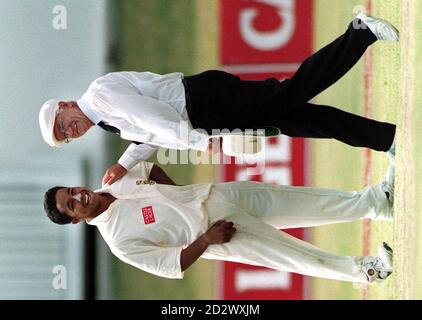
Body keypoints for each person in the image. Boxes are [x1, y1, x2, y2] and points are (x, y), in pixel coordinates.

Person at [39, 13, 398, 186]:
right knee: (296, 118)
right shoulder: (101, 117)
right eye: (66, 136)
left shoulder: (99, 97)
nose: (70, 130)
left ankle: (360, 33)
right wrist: (125, 163)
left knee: (292, 92)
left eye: (62, 123)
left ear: (66, 104)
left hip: (205, 102)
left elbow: (151, 118)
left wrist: (196, 141)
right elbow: (147, 134)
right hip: (203, 112)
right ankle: (385, 138)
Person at [43, 159, 395, 284]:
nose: (78, 197)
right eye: (71, 205)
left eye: (71, 191)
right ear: (75, 220)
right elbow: (172, 264)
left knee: (300, 201)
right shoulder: (119, 242)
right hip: (222, 234)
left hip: (217, 194)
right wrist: (207, 239)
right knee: (293, 254)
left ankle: (377, 202)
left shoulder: (113, 179)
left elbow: (148, 168)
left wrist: (180, 194)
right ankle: (365, 271)